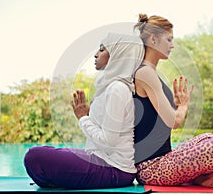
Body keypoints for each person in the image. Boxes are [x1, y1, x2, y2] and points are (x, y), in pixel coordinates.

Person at [24, 33, 145, 189]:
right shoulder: (110, 88)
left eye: (102, 50)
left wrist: (83, 118)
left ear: (118, 56)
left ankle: (57, 180)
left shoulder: (117, 89)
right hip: (100, 161)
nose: (95, 54)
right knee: (43, 151)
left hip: (114, 170)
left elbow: (109, 142)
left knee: (34, 157)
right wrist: (90, 116)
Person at [132, 14, 213, 187]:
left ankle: (196, 178)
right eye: (169, 39)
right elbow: (174, 121)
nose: (172, 45)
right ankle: (195, 177)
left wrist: (178, 105)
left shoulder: (151, 72)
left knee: (207, 137)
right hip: (150, 168)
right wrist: (183, 105)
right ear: (154, 39)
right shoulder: (145, 73)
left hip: (163, 160)